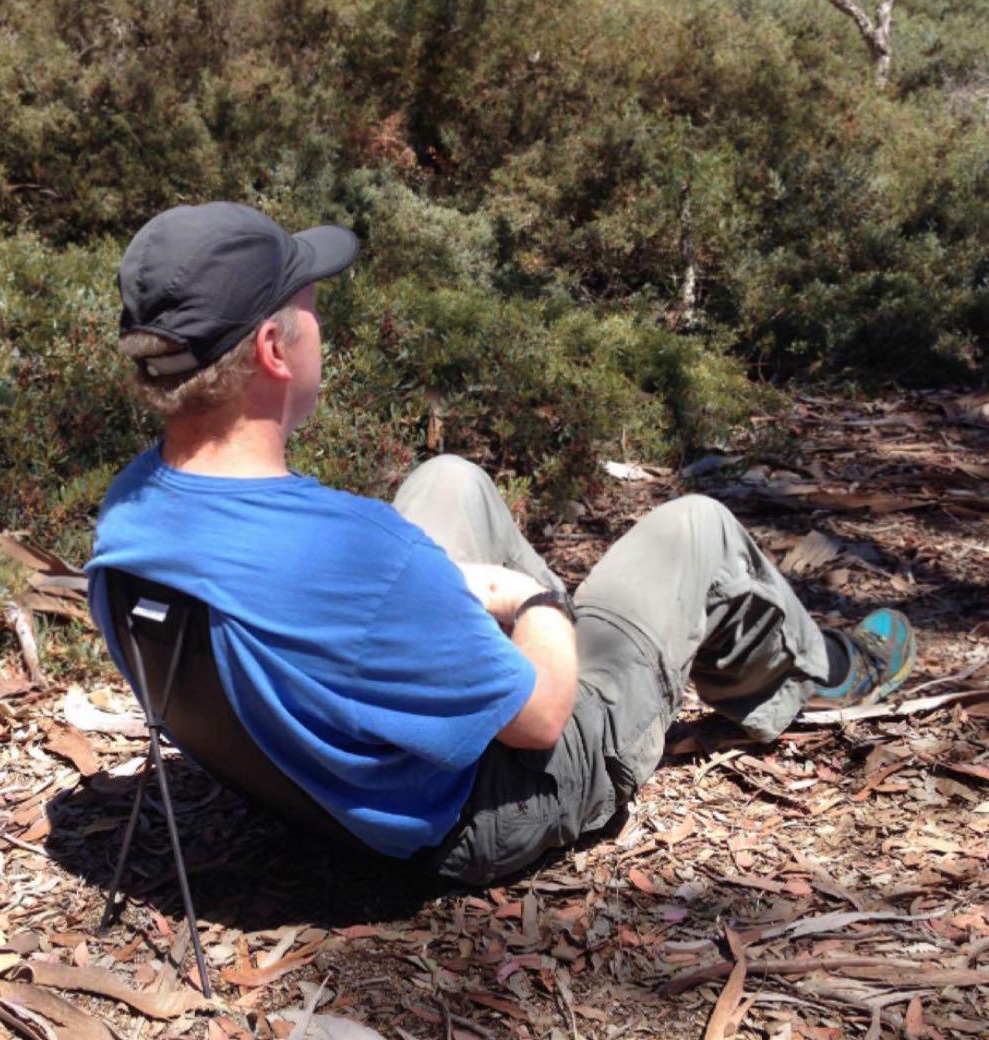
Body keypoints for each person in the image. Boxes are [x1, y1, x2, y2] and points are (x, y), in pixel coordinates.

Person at [87, 202, 916, 886]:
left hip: (325, 785)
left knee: (448, 478)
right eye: (310, 305)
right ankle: (824, 673)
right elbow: (543, 720)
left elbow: (345, 602)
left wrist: (441, 597)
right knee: (695, 528)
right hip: (477, 811)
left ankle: (571, 634)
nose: (320, 323)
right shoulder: (362, 554)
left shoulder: (129, 513)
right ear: (275, 349)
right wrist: (535, 601)